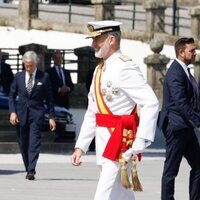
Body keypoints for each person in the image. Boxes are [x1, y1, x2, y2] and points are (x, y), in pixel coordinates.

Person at [71, 20, 159, 200]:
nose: (93, 44)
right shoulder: (99, 70)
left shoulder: (125, 67)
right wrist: (81, 146)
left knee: (103, 193)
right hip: (103, 142)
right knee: (122, 193)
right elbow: (92, 112)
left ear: (111, 39)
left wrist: (141, 139)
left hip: (120, 140)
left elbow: (150, 102)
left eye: (97, 39)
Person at [158, 37, 200, 200]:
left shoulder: (184, 70)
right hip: (176, 128)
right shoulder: (175, 72)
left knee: (198, 166)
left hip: (186, 128)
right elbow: (180, 102)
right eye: (192, 50)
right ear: (181, 53)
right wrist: (197, 122)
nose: (195, 53)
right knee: (171, 170)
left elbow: (191, 100)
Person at [9, 51, 56, 180]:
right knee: (23, 143)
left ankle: (31, 170)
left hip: (36, 115)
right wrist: (12, 112)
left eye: (31, 65)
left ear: (36, 64)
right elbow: (11, 96)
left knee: (34, 142)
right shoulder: (18, 77)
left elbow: (50, 99)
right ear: (24, 64)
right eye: (26, 65)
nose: (29, 68)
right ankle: (27, 167)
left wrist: (51, 117)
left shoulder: (44, 77)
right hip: (21, 115)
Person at [46, 50, 74, 142]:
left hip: (65, 100)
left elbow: (71, 85)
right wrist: (59, 89)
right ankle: (55, 136)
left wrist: (67, 88)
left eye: (60, 58)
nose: (58, 60)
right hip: (54, 100)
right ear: (53, 59)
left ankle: (63, 137)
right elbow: (48, 86)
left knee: (65, 119)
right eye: (56, 58)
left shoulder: (66, 72)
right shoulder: (49, 72)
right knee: (56, 118)